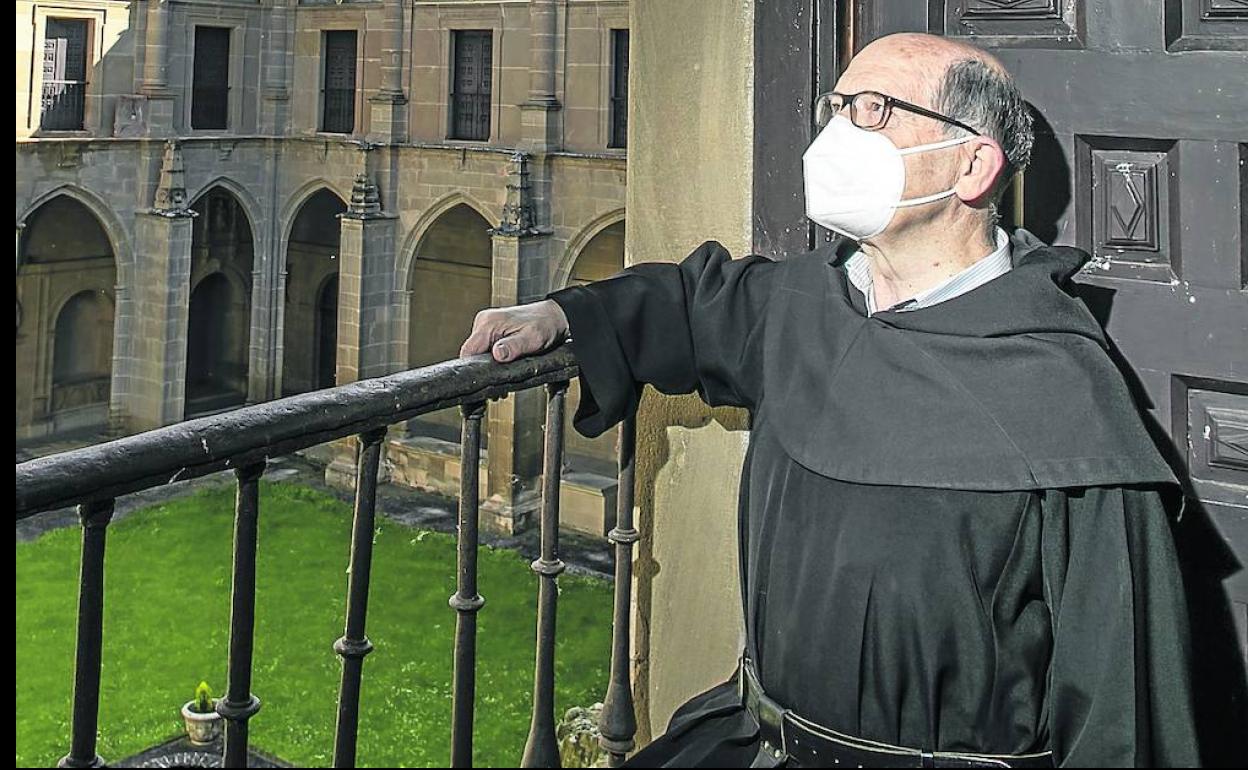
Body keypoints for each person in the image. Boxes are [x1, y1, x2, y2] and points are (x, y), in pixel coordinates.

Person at [459, 32, 1200, 768]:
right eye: (836, 107)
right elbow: (686, 300)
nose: (838, 134)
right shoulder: (804, 301)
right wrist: (562, 314)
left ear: (973, 165)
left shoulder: (1066, 394)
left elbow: (1123, 712)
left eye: (873, 109)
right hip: (754, 743)